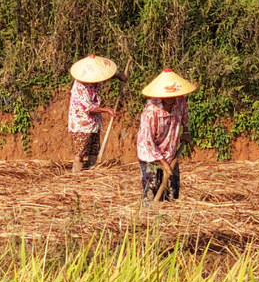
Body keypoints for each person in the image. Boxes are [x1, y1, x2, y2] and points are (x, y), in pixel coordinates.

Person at [136, 68, 196, 203]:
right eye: (167, 96)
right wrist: (163, 163)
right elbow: (148, 142)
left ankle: (169, 217)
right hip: (150, 156)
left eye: (173, 96)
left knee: (172, 191)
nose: (171, 99)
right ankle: (150, 217)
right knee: (152, 190)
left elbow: (185, 115)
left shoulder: (180, 101)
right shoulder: (150, 113)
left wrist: (185, 132)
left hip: (170, 151)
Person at [67, 55, 127, 174]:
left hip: (93, 122)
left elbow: (104, 77)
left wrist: (117, 76)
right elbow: (88, 107)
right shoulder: (81, 87)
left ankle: (91, 171)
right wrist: (106, 110)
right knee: (80, 150)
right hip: (81, 121)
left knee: (94, 148)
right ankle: (77, 173)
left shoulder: (96, 80)